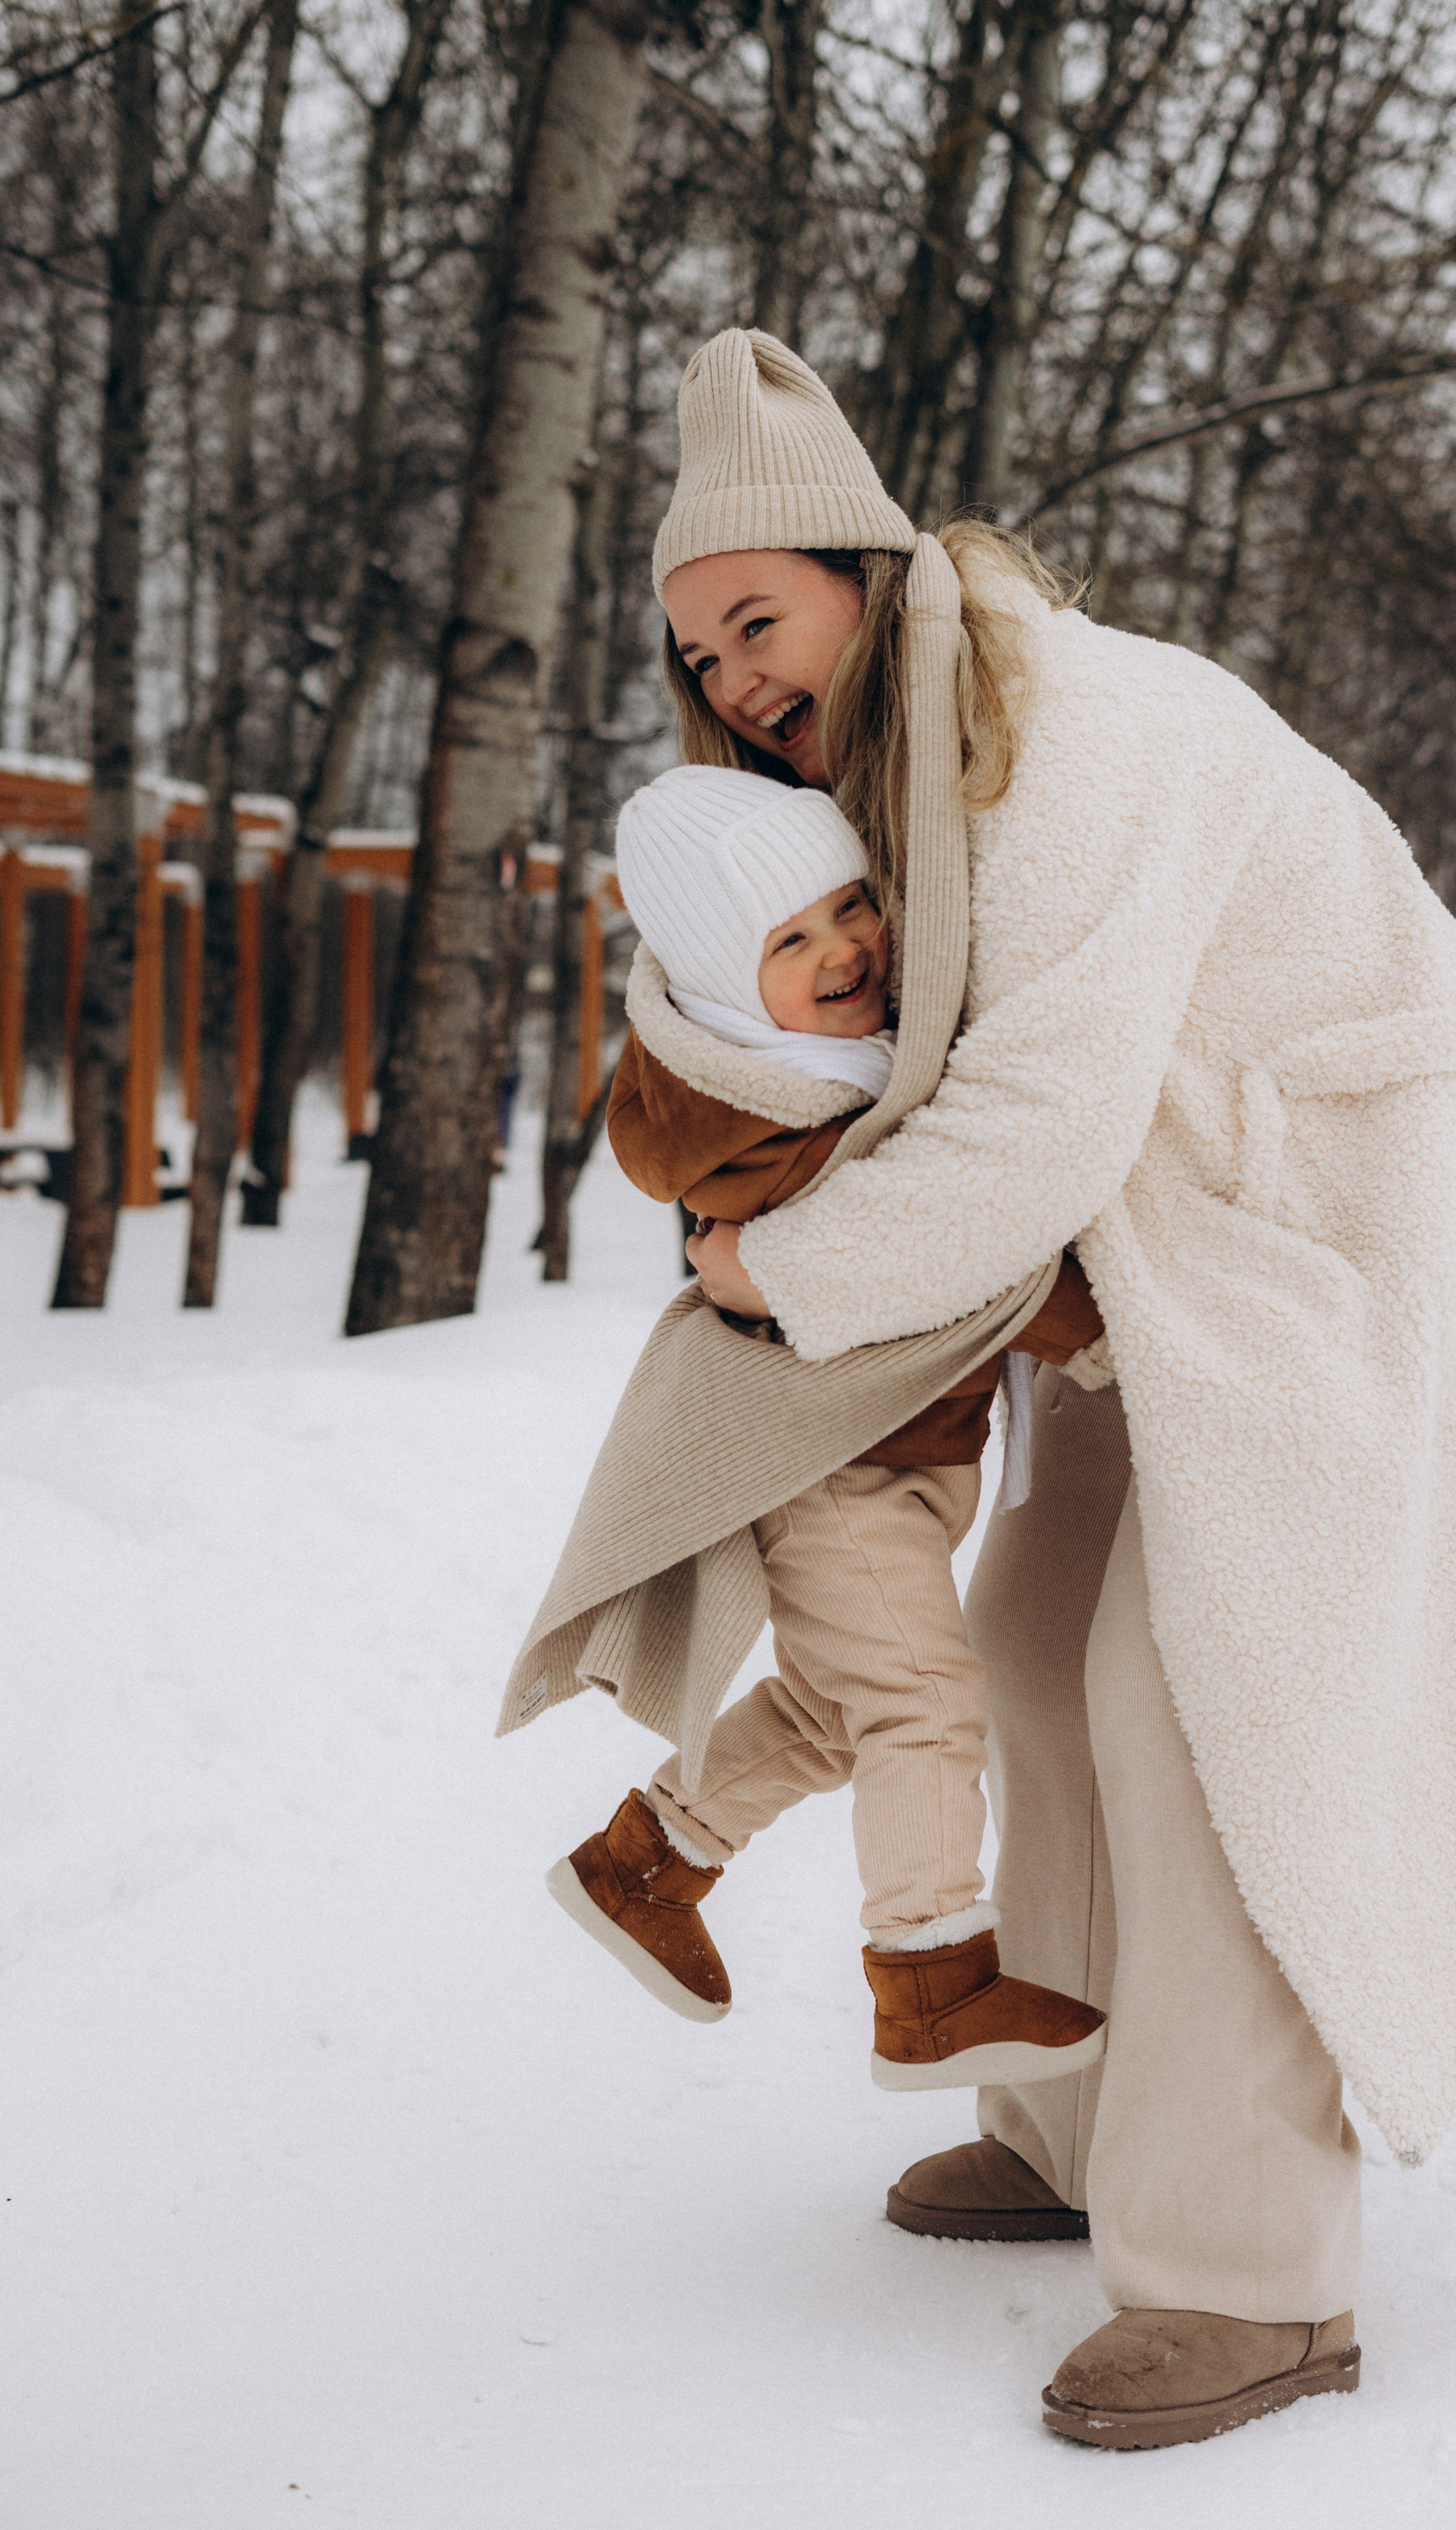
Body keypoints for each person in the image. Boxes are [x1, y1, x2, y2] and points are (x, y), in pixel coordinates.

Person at [619, 327, 1456, 2449]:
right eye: (701, 655)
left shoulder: (1063, 729)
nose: (738, 680)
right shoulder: (899, 776)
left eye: (758, 618)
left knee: (1205, 1692)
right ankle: (1076, 2121)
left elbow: (1026, 1120)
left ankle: (1248, 2279)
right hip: (1165, 1255)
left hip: (1347, 1232)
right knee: (1028, 1625)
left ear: (867, 567)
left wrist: (782, 1268)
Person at [552, 760, 1108, 2094]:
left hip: (899, 1458)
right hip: (837, 1471)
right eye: (788, 941)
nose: (843, 949)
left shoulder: (836, 1064)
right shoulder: (780, 1113)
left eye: (850, 907)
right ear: (726, 988)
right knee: (918, 1702)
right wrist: (1086, 1325)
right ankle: (928, 1980)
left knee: (828, 1707)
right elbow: (938, 1245)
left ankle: (644, 1868)